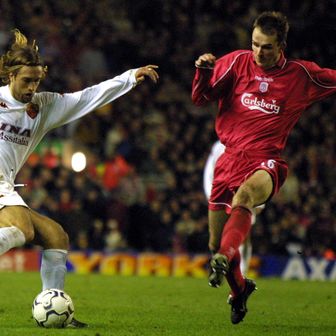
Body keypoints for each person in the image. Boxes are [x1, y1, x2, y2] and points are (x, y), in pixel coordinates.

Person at [0, 29, 159, 328]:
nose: (32, 87)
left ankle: (54, 307)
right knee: (21, 226)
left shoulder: (43, 107)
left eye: (36, 80)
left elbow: (87, 97)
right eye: (26, 81)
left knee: (55, 236)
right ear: (10, 75)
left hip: (5, 184)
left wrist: (128, 78)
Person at [192, 11, 336, 324]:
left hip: (265, 159)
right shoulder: (236, 62)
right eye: (255, 44)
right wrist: (203, 72)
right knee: (216, 242)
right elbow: (201, 98)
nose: (259, 51)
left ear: (281, 46)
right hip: (228, 158)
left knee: (244, 200)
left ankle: (225, 257)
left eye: (267, 47)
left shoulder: (302, 74)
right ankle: (239, 289)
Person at [203, 140, 264, 276]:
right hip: (221, 194)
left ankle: (241, 273)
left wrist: (259, 202)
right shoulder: (219, 146)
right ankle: (220, 268)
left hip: (246, 194)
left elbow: (260, 171)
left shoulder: (255, 142)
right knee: (216, 240)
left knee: (244, 235)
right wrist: (211, 195)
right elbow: (209, 172)